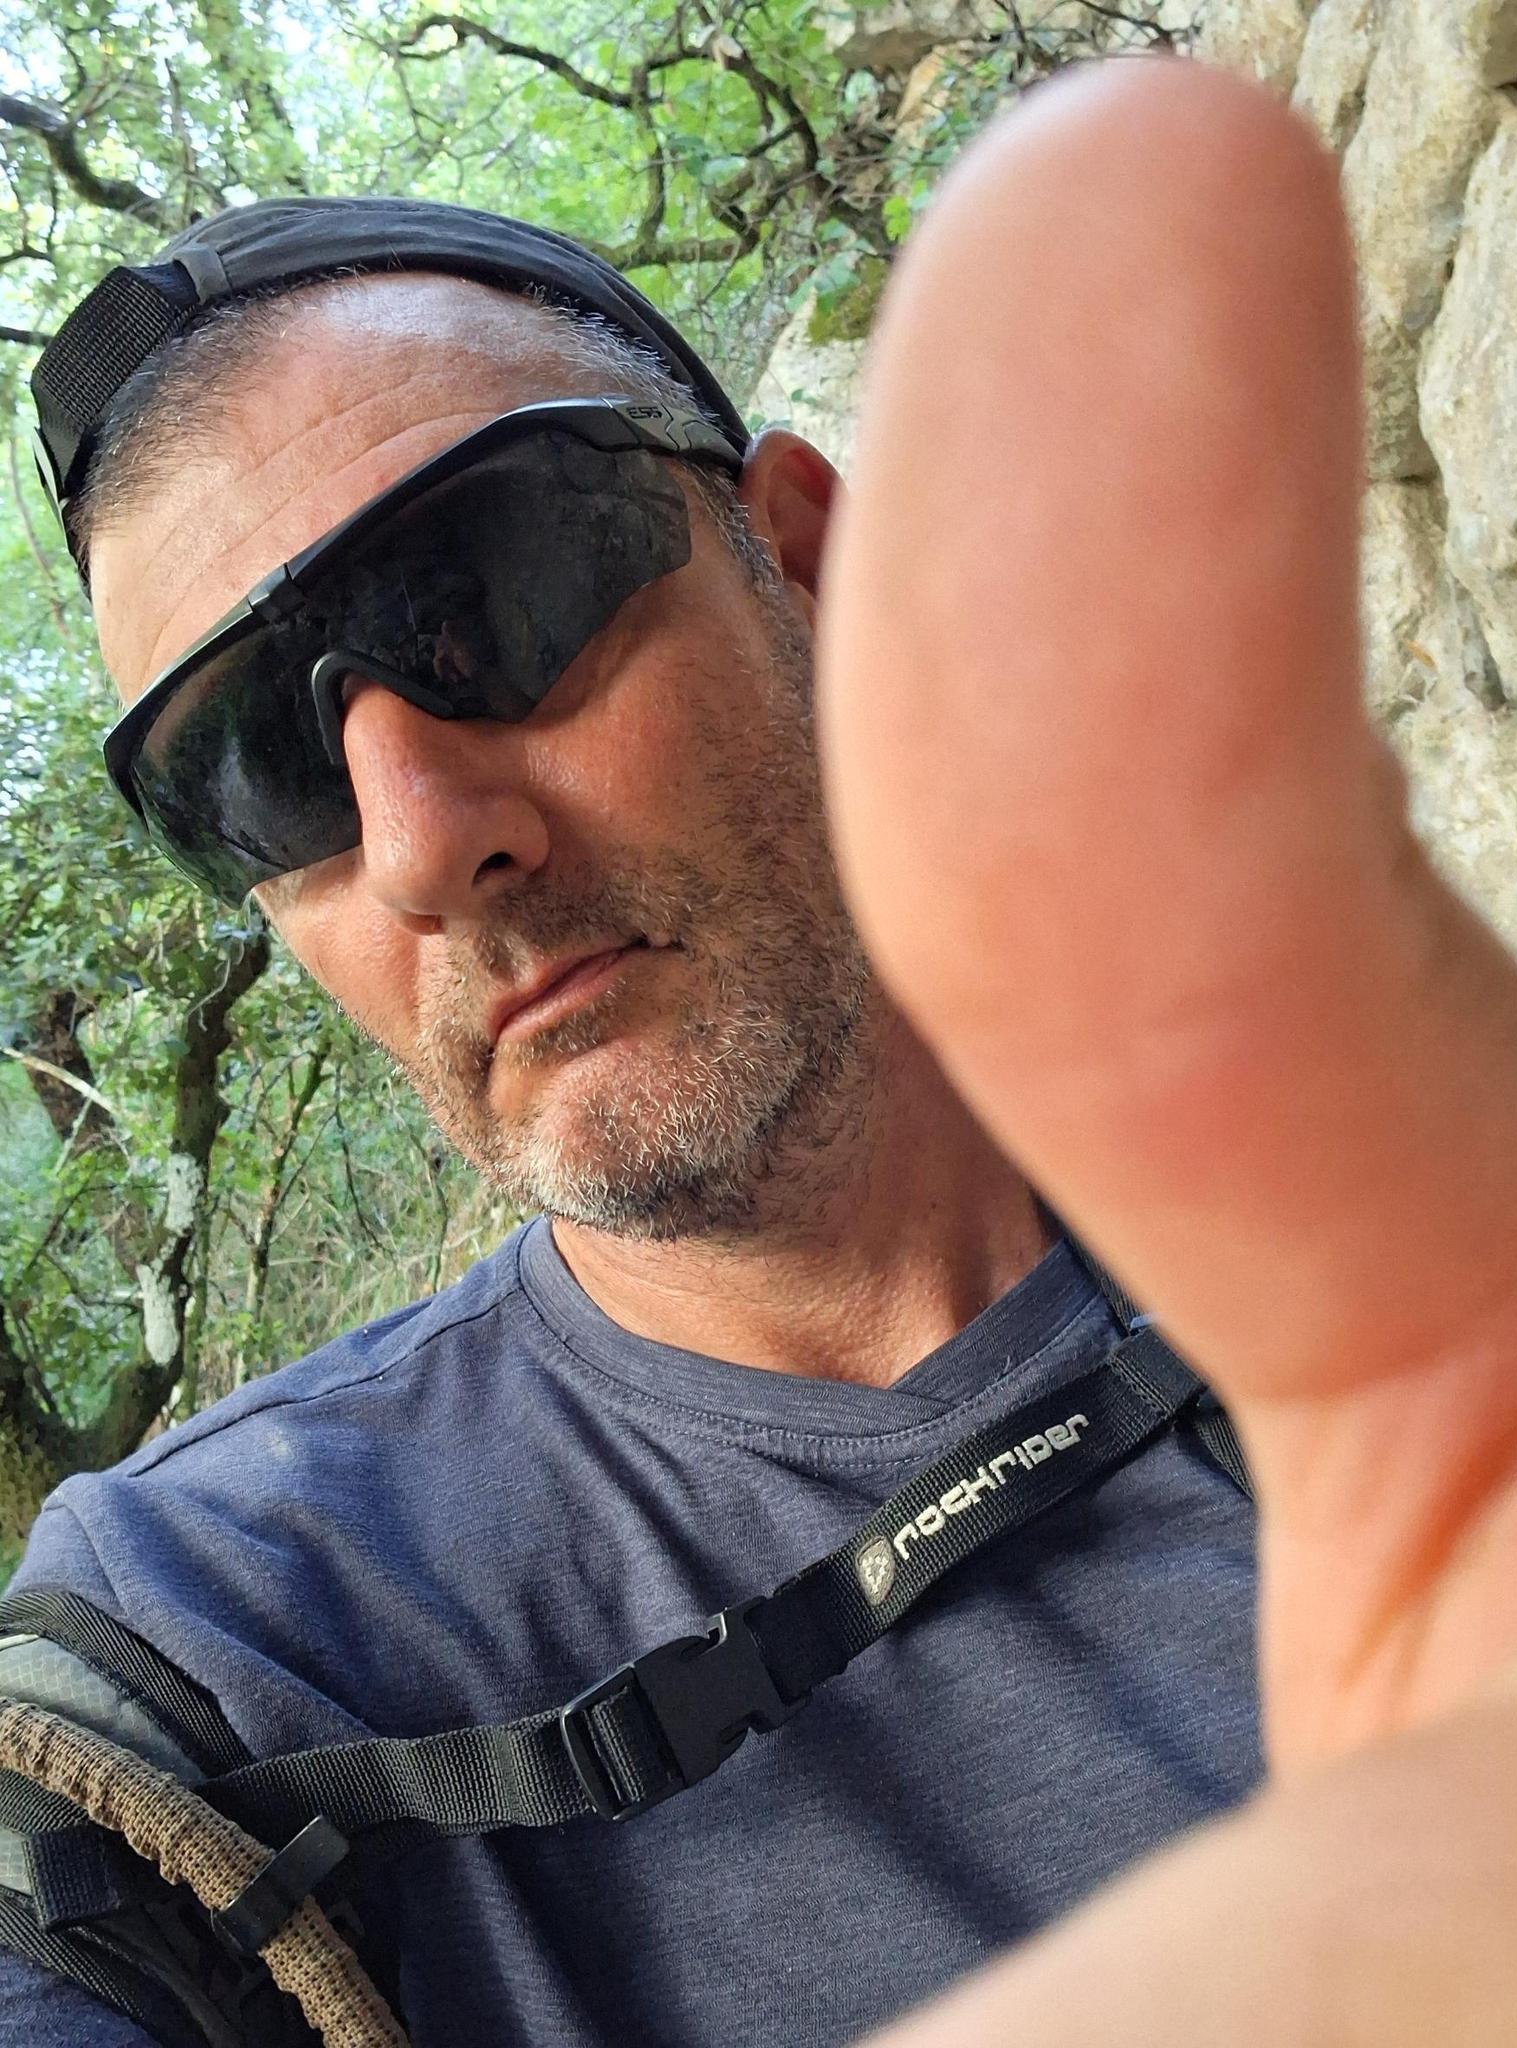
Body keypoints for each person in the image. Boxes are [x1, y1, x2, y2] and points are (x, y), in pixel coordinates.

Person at [3, 52, 1260, 2048]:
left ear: (810, 566)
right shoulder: (209, 1658)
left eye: (487, 596)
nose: (422, 845)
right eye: (247, 768)